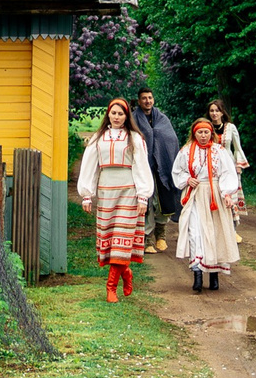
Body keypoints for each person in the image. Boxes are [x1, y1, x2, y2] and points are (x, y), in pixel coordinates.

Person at [74, 97, 156, 301]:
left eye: (121, 114)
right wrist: (87, 194)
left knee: (123, 237)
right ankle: (126, 273)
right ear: (108, 114)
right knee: (110, 238)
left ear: (127, 116)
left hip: (128, 190)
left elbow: (141, 167)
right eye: (114, 113)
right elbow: (90, 166)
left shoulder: (134, 138)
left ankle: (111, 287)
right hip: (106, 190)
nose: (117, 117)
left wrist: (143, 196)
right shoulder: (98, 138)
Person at [172, 115, 244, 291]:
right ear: (194, 134)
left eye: (206, 132)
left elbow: (228, 172)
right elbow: (177, 171)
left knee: (215, 232)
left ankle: (214, 275)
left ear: (211, 133)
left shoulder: (219, 151)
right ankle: (197, 273)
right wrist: (188, 179)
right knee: (195, 232)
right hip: (196, 195)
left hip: (215, 195)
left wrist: (227, 193)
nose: (203, 136)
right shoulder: (186, 151)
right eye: (200, 132)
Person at [133, 87, 181, 250]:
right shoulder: (133, 119)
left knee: (161, 201)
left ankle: (161, 234)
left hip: (163, 167)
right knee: (146, 200)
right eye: (144, 98)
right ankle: (147, 238)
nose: (147, 101)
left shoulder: (162, 119)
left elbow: (171, 139)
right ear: (139, 101)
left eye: (150, 98)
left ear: (153, 100)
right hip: (143, 167)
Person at [204, 98, 249, 172]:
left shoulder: (230, 127)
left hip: (228, 163)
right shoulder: (205, 128)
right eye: (212, 111)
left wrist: (238, 165)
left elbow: (237, 147)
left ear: (222, 113)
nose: (214, 113)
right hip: (209, 163)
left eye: (217, 111)